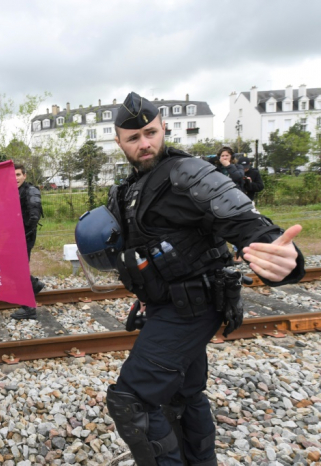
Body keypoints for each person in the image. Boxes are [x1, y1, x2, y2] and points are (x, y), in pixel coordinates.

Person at [75, 92, 305, 466]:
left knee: (132, 400)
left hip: (192, 309)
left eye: (150, 132)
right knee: (181, 395)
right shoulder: (130, 188)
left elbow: (249, 225)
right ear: (119, 142)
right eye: (133, 138)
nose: (145, 143)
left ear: (163, 127)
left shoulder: (189, 174)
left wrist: (284, 259)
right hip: (167, 305)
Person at [10, 164, 45, 320]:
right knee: (15, 269)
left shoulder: (31, 191)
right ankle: (35, 285)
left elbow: (33, 216)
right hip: (15, 237)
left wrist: (24, 234)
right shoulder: (13, 191)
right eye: (13, 175)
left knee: (19, 271)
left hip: (25, 237)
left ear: (24, 175)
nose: (15, 178)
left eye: (18, 174)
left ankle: (29, 308)